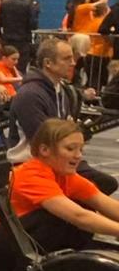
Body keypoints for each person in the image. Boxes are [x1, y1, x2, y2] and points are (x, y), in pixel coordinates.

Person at [0, 119, 119, 271]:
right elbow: (79, 217)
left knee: (83, 208)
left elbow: (102, 202)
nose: (78, 155)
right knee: (57, 218)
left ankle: (59, 269)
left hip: (9, 237)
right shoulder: (32, 174)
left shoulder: (65, 175)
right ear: (44, 149)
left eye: (81, 149)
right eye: (70, 148)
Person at [7, 38, 117, 195]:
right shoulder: (30, 94)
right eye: (66, 58)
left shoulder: (60, 89)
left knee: (103, 185)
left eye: (72, 58)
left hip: (59, 159)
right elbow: (42, 141)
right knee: (101, 185)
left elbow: (65, 129)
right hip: (31, 163)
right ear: (48, 63)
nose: (73, 63)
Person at [0, 0, 39, 73]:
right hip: (23, 41)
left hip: (7, 40)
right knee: (20, 68)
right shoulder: (30, 3)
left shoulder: (5, 2)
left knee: (5, 67)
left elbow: (0, 22)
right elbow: (33, 25)